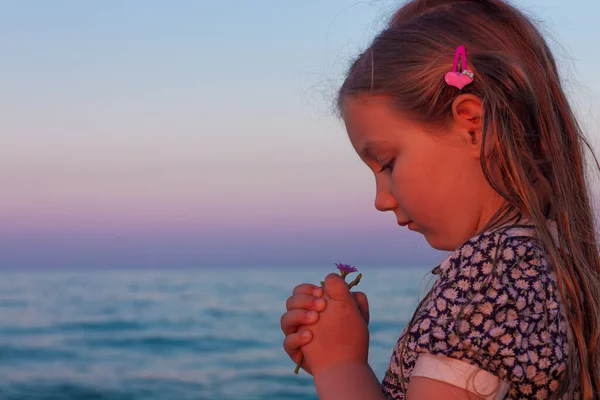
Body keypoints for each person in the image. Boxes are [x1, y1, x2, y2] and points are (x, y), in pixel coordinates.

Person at [279, 0, 600, 399]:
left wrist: (339, 364)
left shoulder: (489, 280)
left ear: (472, 126)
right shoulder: (548, 266)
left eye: (388, 163)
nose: (380, 200)